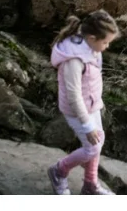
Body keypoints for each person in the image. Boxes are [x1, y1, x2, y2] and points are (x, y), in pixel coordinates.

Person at [49, 11, 122, 194]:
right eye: (105, 42)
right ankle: (58, 171)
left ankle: (90, 184)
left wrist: (97, 102)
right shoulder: (73, 60)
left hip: (92, 104)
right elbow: (74, 96)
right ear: (91, 38)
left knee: (98, 141)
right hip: (76, 110)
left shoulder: (91, 47)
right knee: (92, 148)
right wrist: (88, 126)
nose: (107, 47)